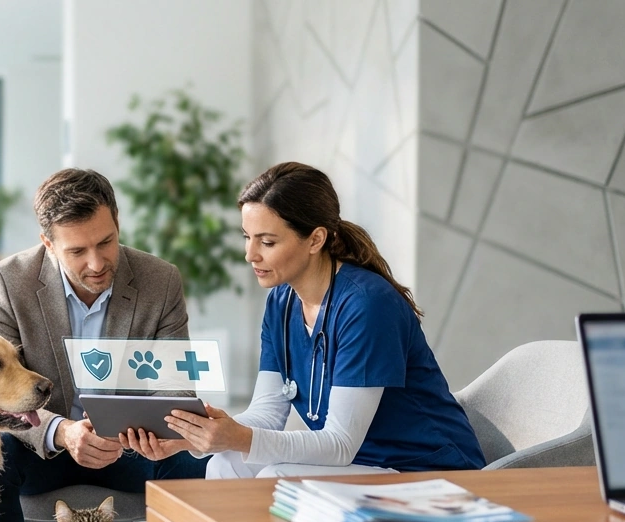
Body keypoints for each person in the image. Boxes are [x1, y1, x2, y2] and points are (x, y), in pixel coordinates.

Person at [123, 161, 485, 478]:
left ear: (315, 239)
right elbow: (267, 414)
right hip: (361, 462)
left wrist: (240, 437)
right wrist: (197, 436)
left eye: (267, 242)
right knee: (224, 463)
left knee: (275, 476)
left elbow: (340, 443)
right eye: (247, 238)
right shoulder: (281, 302)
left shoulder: (366, 306)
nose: (250, 254)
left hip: (423, 467)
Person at [0, 168, 208, 522]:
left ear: (118, 223)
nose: (98, 262)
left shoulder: (159, 281)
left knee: (205, 467)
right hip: (39, 444)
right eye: (77, 251)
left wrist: (148, 429)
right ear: (47, 242)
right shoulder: (7, 283)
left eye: (106, 242)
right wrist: (62, 433)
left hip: (128, 447)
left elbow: (174, 387)